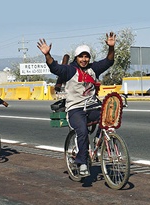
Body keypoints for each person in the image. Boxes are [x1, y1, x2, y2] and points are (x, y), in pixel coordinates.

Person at [37, 32, 116, 176]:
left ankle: (100, 138)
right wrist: (47, 55)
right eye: (81, 56)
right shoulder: (70, 70)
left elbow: (109, 61)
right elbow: (55, 68)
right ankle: (82, 162)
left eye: (86, 56)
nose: (84, 59)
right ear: (76, 57)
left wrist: (111, 47)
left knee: (108, 117)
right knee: (82, 131)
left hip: (92, 106)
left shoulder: (93, 69)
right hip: (76, 109)